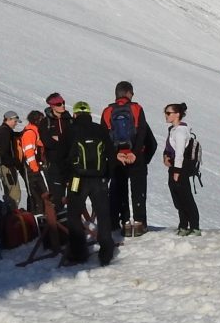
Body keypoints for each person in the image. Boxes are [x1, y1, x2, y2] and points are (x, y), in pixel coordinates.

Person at [103, 81, 157, 236]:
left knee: (121, 190)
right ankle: (139, 223)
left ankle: (125, 223)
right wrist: (136, 154)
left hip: (118, 158)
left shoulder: (107, 111)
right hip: (136, 157)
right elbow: (142, 132)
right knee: (138, 189)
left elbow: (105, 137)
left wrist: (115, 155)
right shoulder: (136, 108)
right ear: (128, 93)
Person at [65, 101, 115, 266]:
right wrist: (107, 175)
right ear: (89, 113)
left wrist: (66, 177)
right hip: (99, 179)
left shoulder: (70, 130)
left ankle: (78, 252)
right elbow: (111, 154)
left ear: (75, 114)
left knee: (74, 214)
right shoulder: (99, 129)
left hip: (77, 179)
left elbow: (61, 156)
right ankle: (106, 253)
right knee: (103, 214)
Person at [163, 103, 201, 235]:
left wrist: (177, 171)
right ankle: (183, 224)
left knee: (185, 196)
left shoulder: (180, 131)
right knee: (178, 196)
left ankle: (194, 226)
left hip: (180, 167)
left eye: (168, 113)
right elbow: (169, 148)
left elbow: (179, 153)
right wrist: (165, 157)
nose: (166, 115)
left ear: (177, 114)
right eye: (166, 113)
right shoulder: (173, 129)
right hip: (174, 166)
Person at [41, 93, 73, 206]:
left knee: (74, 196)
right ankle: (57, 215)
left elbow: (74, 138)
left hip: (70, 163)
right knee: (57, 196)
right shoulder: (45, 122)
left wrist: (58, 139)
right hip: (55, 165)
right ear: (52, 106)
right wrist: (64, 141)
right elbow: (48, 142)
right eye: (59, 104)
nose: (63, 105)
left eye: (63, 102)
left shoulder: (69, 119)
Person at [0, 110, 24, 210]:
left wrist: (21, 133)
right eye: (15, 121)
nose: (16, 124)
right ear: (8, 119)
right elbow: (3, 151)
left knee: (9, 194)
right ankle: (13, 215)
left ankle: (8, 215)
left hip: (3, 166)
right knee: (15, 194)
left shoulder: (5, 130)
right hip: (7, 167)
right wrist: (13, 162)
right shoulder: (4, 132)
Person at [21, 110, 49, 217]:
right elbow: (29, 152)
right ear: (36, 120)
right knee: (37, 194)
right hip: (31, 169)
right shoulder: (30, 133)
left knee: (41, 193)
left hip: (34, 167)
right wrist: (34, 167)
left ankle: (41, 214)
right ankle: (37, 215)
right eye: (41, 119)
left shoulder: (34, 131)